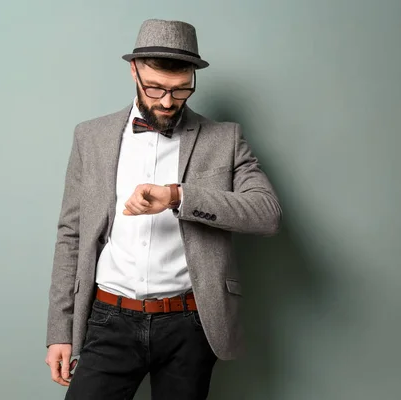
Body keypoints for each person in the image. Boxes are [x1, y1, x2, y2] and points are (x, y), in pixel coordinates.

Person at [45, 18, 282, 400]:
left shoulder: (225, 139)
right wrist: (60, 329)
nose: (167, 102)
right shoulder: (91, 137)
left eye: (180, 90)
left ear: (192, 78)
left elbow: (267, 213)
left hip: (189, 322)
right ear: (133, 71)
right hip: (108, 319)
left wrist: (178, 196)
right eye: (154, 88)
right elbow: (70, 235)